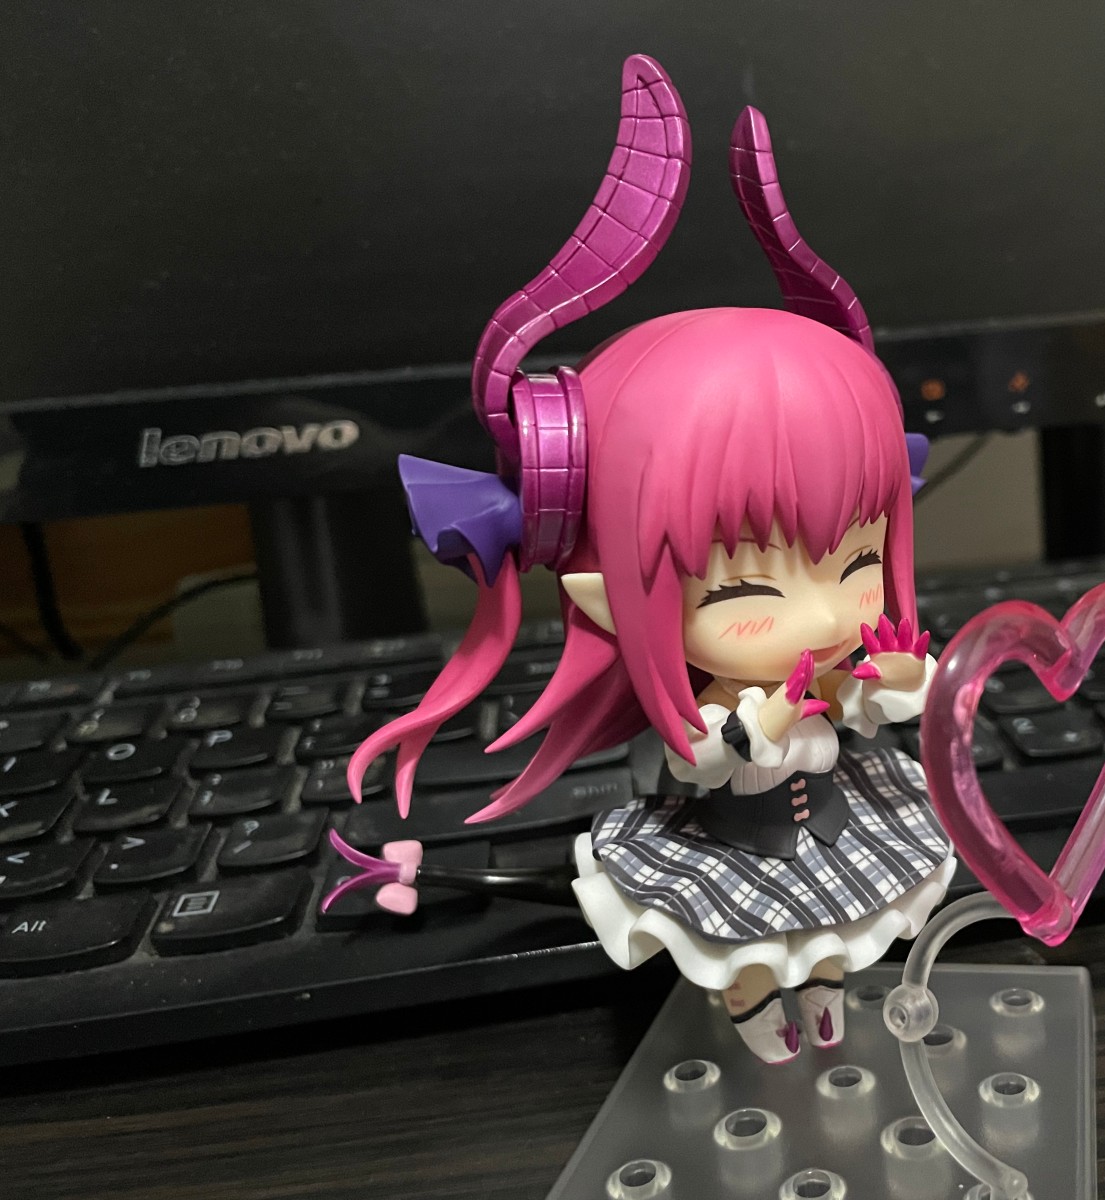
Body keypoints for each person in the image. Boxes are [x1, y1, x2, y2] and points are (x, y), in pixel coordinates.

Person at [328, 54, 950, 1065]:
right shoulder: (710, 717)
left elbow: (881, 704)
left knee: (839, 940)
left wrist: (892, 678)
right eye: (748, 586)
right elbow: (703, 762)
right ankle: (759, 1016)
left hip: (837, 834)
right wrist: (768, 720)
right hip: (736, 851)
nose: (825, 614)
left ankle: (830, 1001)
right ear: (606, 595)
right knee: (748, 955)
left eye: (857, 561)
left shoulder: (834, 664)